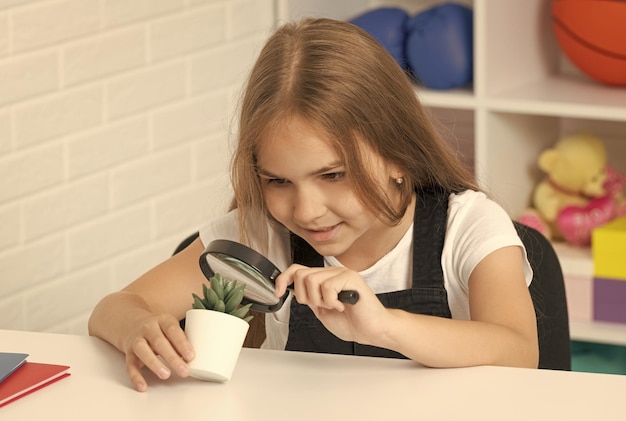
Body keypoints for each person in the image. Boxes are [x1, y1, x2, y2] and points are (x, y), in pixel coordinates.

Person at [88, 17, 539, 392]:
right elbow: (117, 305)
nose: (305, 211)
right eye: (278, 181)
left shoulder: (468, 226)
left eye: (333, 175)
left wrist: (382, 326)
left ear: (398, 155)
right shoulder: (261, 235)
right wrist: (136, 328)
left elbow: (519, 352)